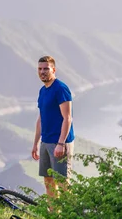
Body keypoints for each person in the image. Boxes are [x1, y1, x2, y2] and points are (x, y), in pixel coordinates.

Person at [31, 55, 74, 199]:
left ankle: (70, 214)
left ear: (53, 69)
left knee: (63, 183)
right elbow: (41, 118)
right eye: (40, 69)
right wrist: (36, 143)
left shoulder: (60, 88)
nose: (42, 72)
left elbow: (67, 118)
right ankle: (54, 214)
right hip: (46, 142)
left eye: (46, 69)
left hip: (60, 143)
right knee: (48, 181)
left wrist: (61, 143)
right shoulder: (43, 91)